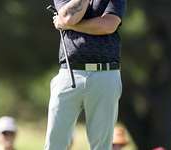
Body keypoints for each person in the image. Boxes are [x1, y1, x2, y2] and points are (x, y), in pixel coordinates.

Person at [44, 0, 126, 149]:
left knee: (101, 145)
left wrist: (69, 26)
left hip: (106, 74)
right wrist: (70, 23)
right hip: (69, 73)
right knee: (55, 142)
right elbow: (71, 17)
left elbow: (108, 25)